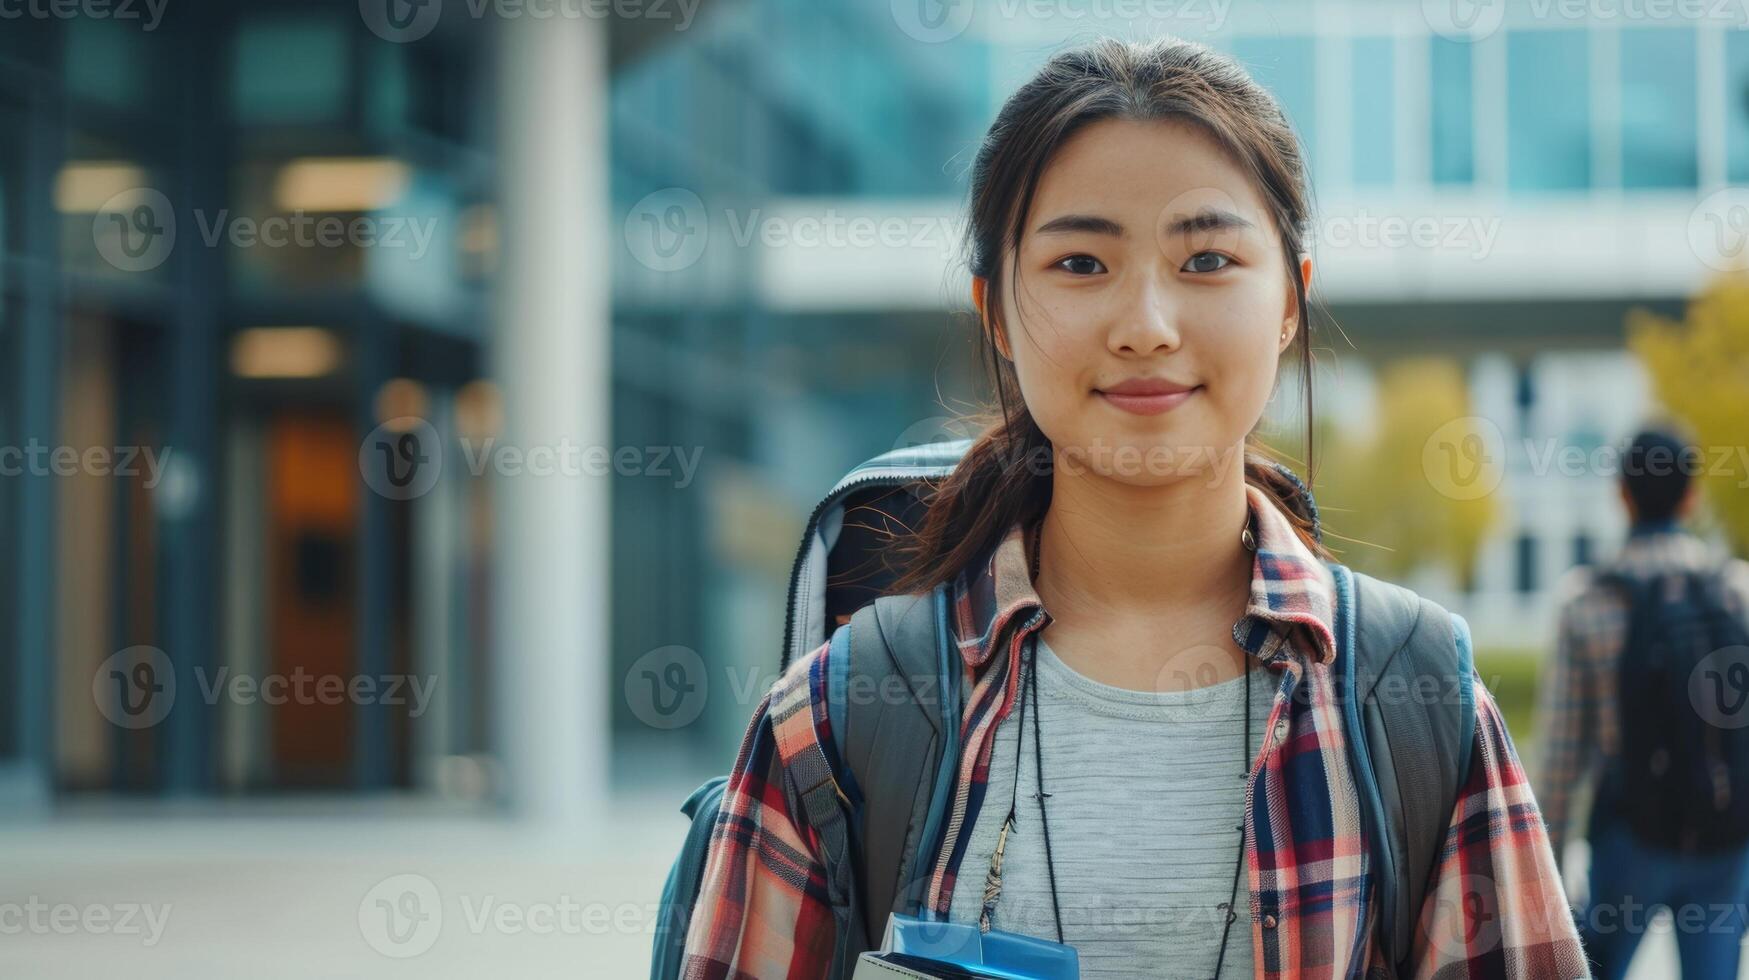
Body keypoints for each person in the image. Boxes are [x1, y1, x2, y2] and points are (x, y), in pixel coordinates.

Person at [680, 37, 1587, 979]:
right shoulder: (834, 717)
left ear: (1289, 302)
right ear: (995, 310)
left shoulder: (1418, 702)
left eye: (1205, 258)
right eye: (1079, 262)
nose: (1146, 326)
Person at [1534, 426, 1749, 980]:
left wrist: (1544, 882)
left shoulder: (1587, 602)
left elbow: (1561, 760)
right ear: (1692, 495)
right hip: (1724, 842)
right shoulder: (1738, 592)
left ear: (1622, 494)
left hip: (1629, 838)